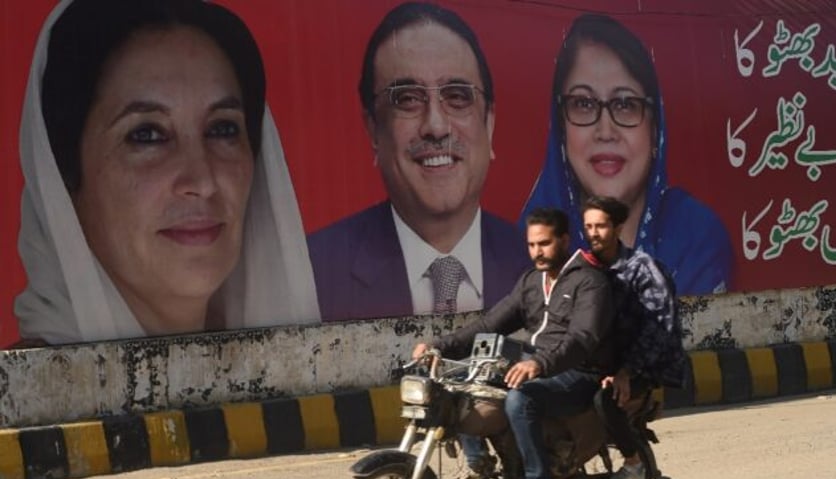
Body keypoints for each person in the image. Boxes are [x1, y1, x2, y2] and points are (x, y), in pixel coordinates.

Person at [14, 0, 320, 346]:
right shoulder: (18, 397)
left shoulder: (319, 387)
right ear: (64, 176)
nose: (202, 181)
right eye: (146, 135)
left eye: (222, 129)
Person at [308, 1, 528, 322]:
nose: (436, 126)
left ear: (489, 124)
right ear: (373, 130)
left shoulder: (546, 267)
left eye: (456, 96)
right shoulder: (313, 275)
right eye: (408, 99)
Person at [413, 207, 616, 479]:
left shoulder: (589, 282)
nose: (538, 252)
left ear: (564, 240)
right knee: (462, 385)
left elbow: (583, 338)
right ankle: (484, 470)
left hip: (579, 373)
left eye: (545, 244)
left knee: (521, 399)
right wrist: (440, 345)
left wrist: (539, 362)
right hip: (536, 366)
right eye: (532, 245)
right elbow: (490, 323)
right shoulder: (532, 282)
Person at [520, 13, 733, 296]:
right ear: (561, 129)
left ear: (654, 130)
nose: (605, 130)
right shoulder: (524, 251)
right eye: (583, 103)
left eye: (625, 104)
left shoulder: (696, 237)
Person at [581, 195, 686, 479]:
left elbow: (659, 327)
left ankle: (633, 466)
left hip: (645, 363)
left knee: (606, 399)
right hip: (606, 359)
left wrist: (628, 370)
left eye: (600, 226)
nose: (593, 233)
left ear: (617, 227)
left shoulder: (644, 269)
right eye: (588, 226)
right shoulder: (589, 269)